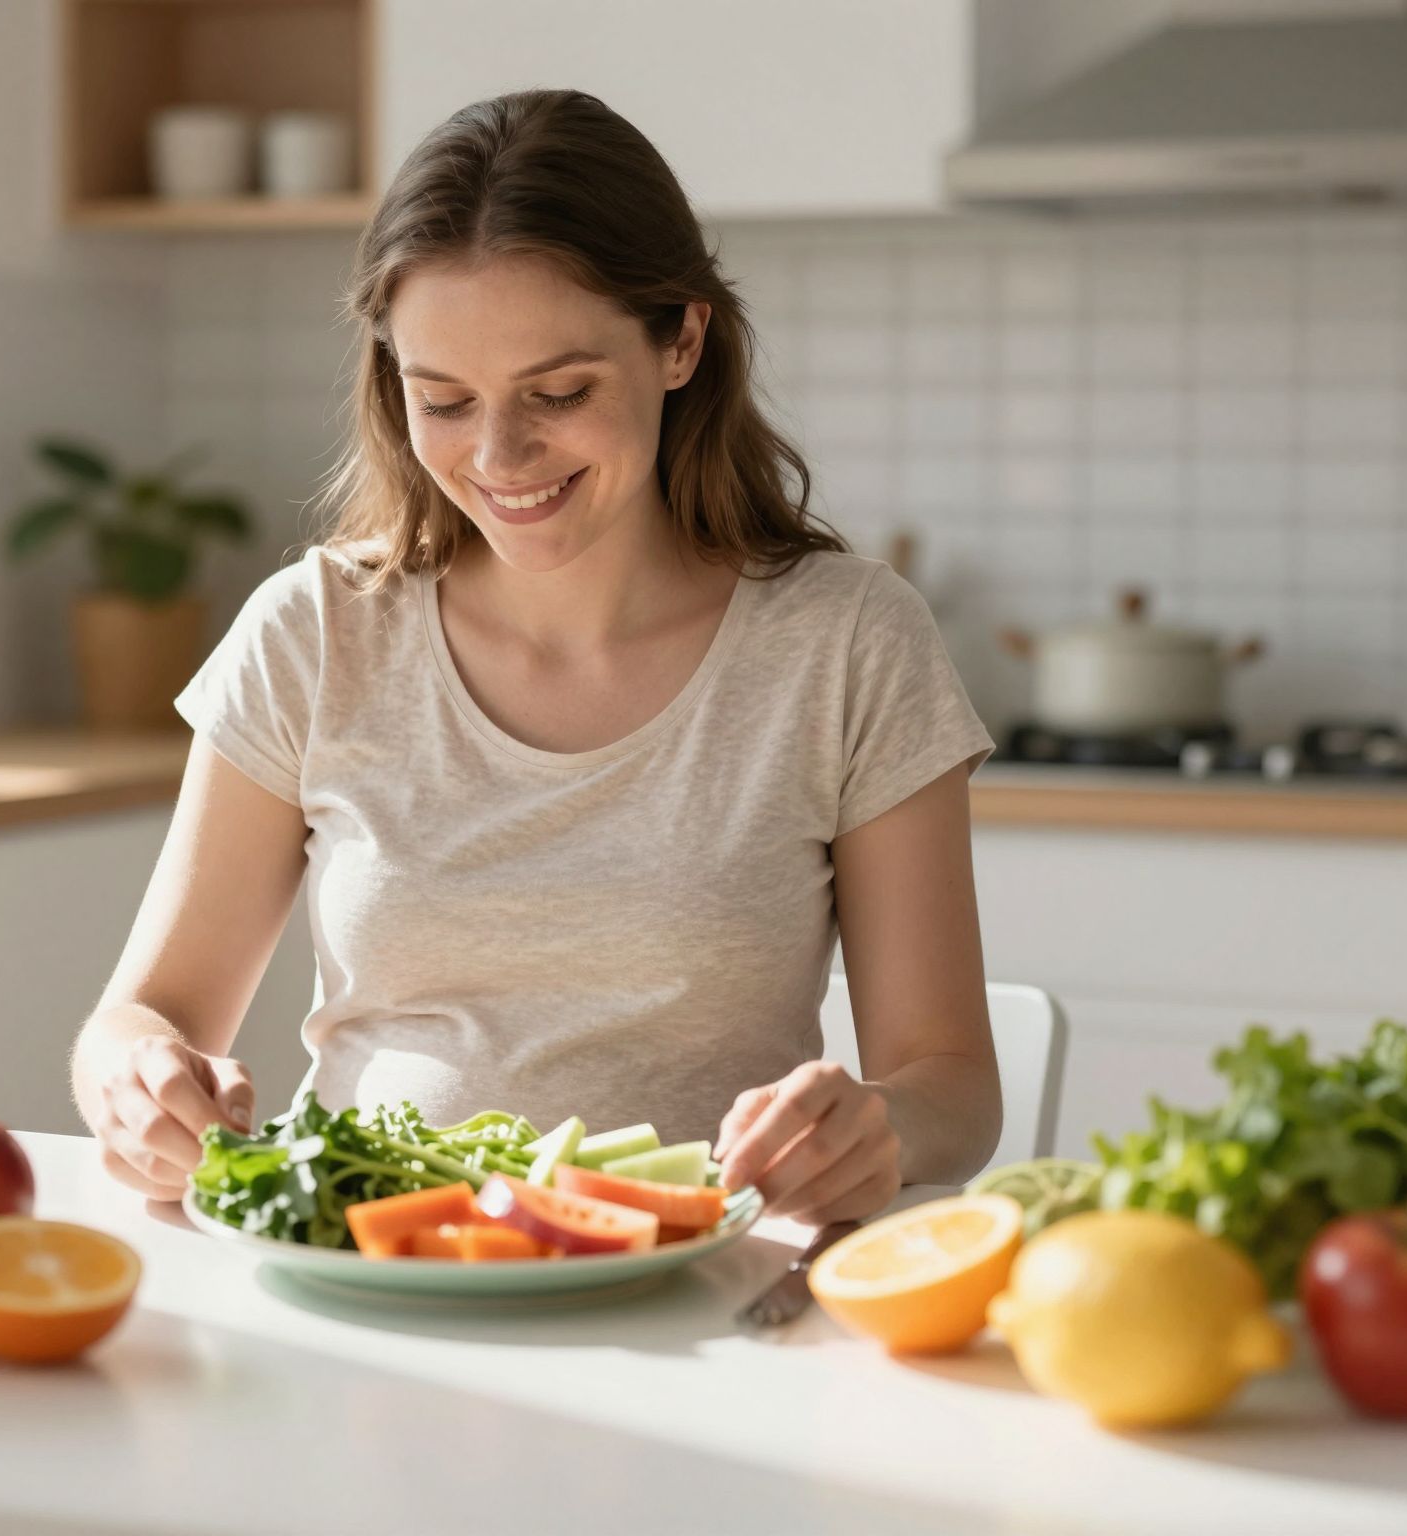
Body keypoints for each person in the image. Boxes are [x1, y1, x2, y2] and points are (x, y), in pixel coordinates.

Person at [71, 88, 1000, 1226]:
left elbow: (950, 1081)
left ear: (681, 342)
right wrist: (136, 1082)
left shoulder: (846, 642)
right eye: (443, 399)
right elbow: (142, 1014)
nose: (499, 455)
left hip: (690, 1293)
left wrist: (875, 1129)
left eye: (558, 393)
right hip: (371, 1275)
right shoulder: (313, 632)